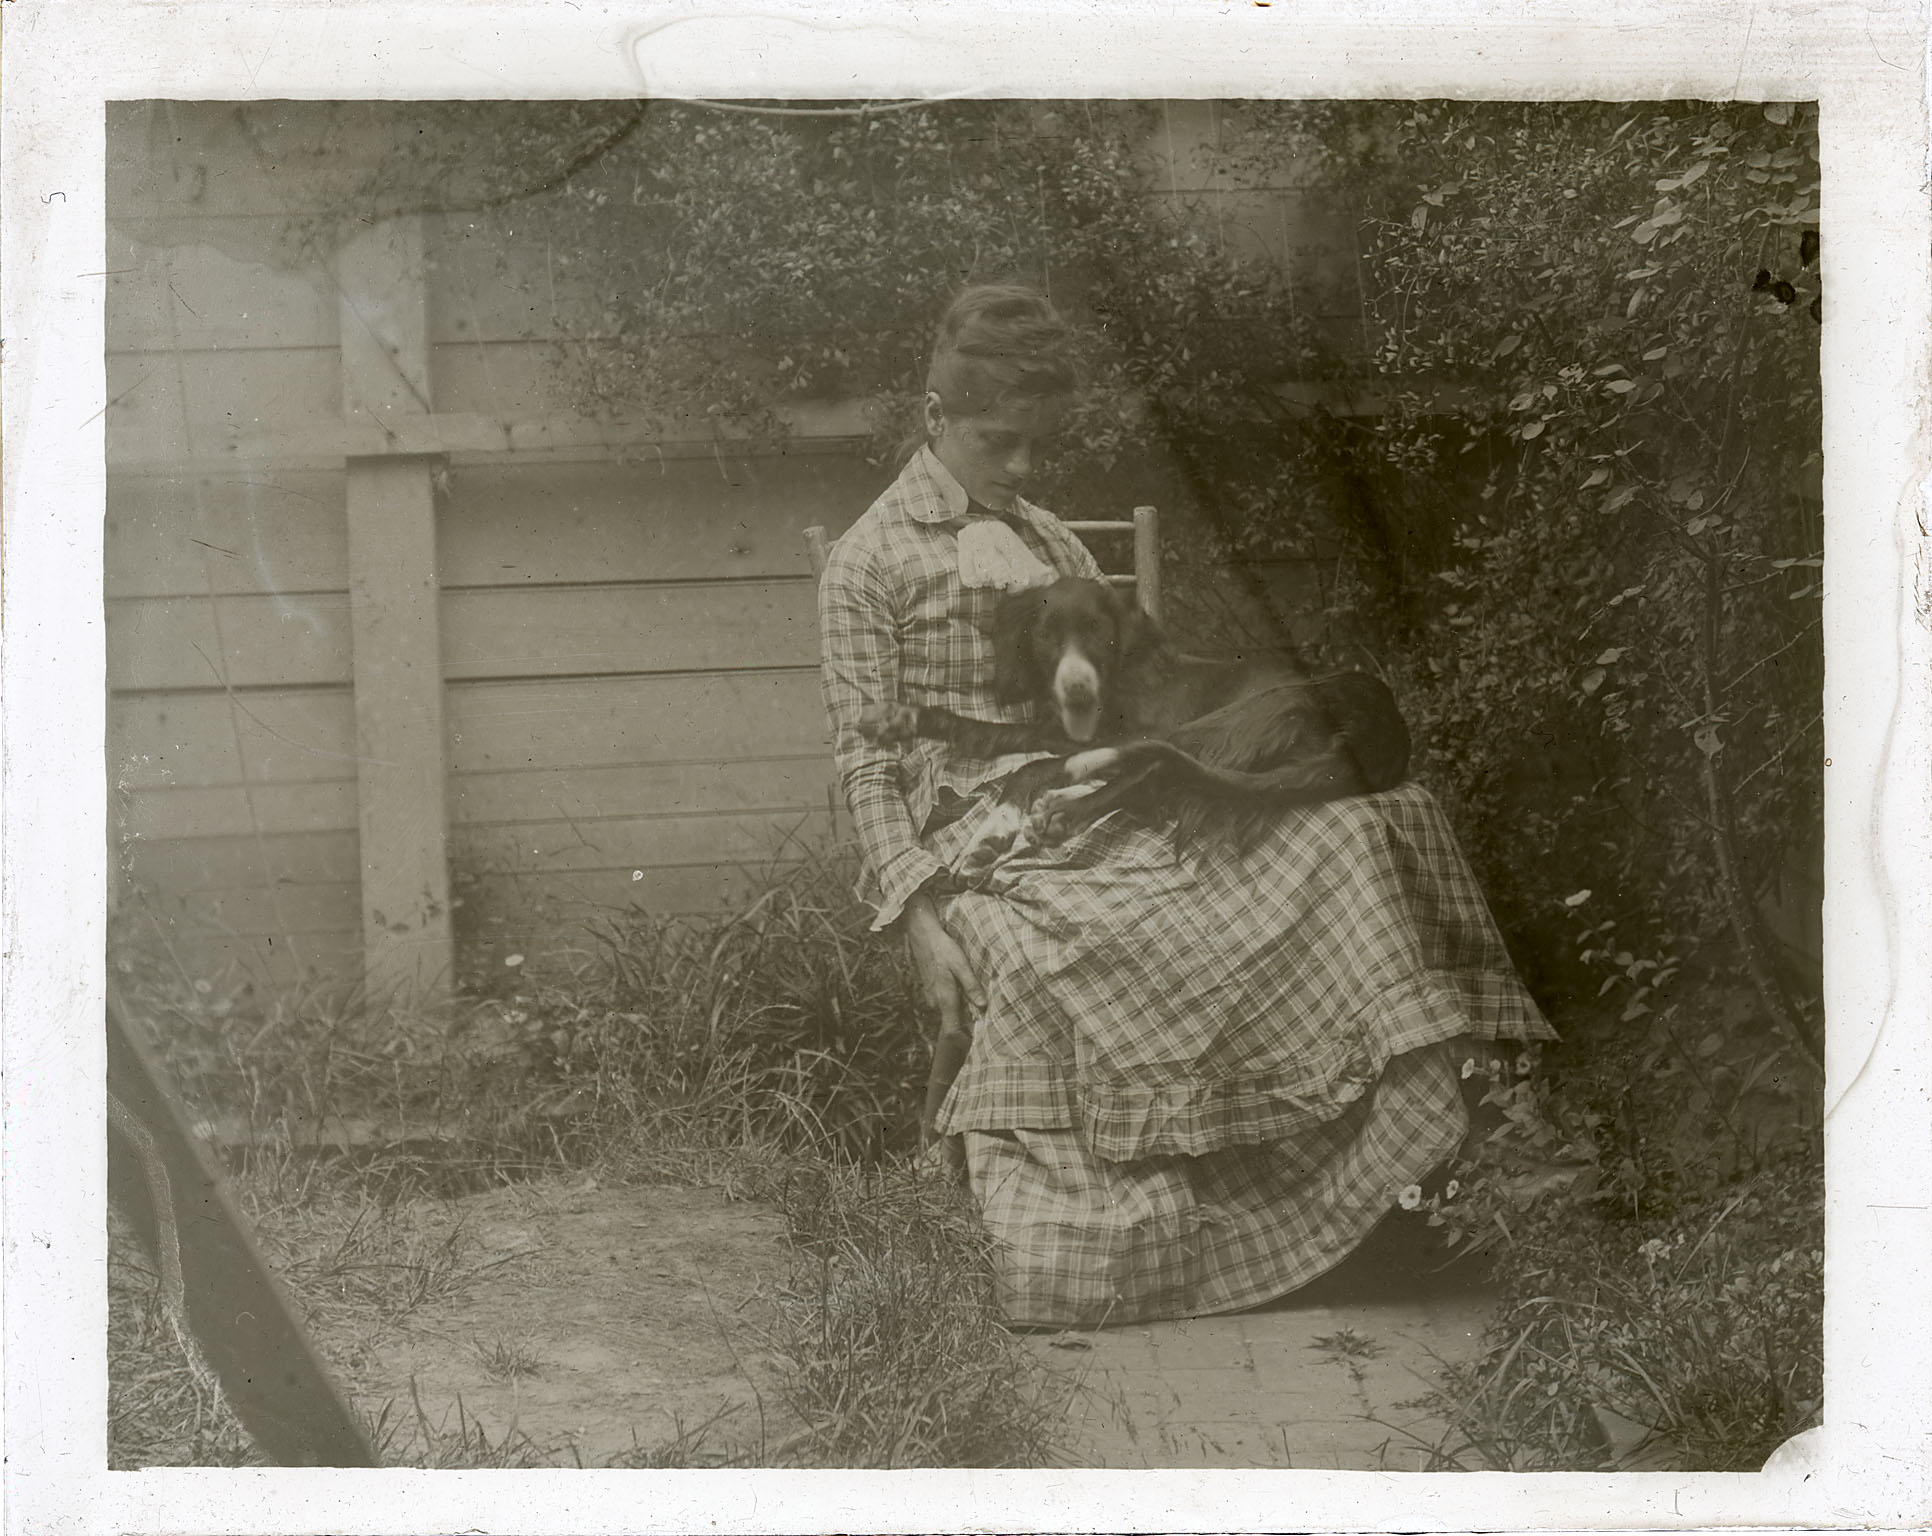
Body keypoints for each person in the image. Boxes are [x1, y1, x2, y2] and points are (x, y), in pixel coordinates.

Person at [818, 283, 1553, 1328]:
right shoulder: (866, 564)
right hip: (979, 838)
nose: (1024, 470)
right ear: (935, 419)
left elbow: (1143, 693)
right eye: (999, 444)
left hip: (1112, 796)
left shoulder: (1053, 542)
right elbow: (862, 763)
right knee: (1053, 950)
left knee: (1353, 828)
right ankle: (1161, 1223)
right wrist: (919, 915)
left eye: (1039, 448)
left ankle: (1403, 1167)